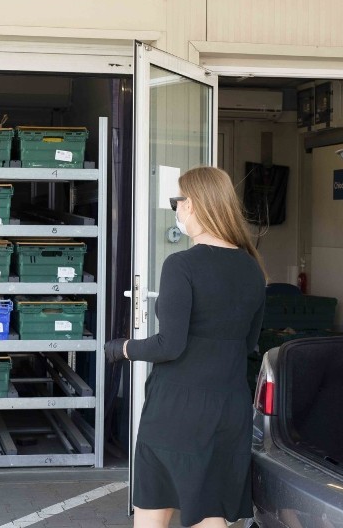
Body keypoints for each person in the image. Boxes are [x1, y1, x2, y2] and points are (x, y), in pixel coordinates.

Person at [105, 166, 267, 528]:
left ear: (192, 204)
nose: (175, 210)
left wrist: (122, 348)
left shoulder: (181, 265)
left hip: (178, 410)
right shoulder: (252, 268)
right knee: (209, 512)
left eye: (176, 201)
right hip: (230, 407)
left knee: (155, 503)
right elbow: (251, 342)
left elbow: (169, 345)